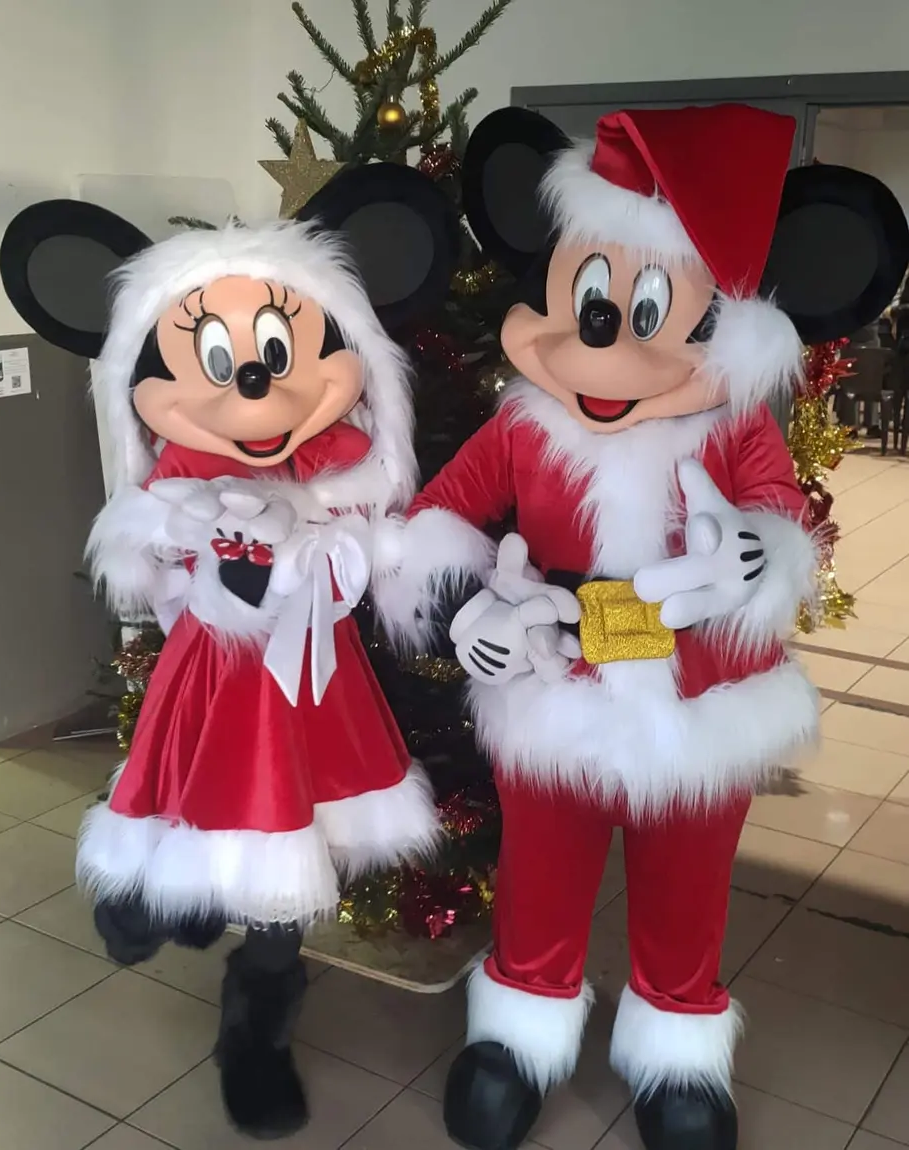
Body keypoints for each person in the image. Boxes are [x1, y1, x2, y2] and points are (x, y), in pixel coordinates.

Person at [374, 104, 909, 1150]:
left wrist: (755, 552)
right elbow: (441, 514)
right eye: (590, 300)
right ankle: (518, 1034)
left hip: (698, 700)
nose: (603, 337)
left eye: (646, 308)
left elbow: (781, 514)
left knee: (684, 885)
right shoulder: (524, 422)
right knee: (541, 876)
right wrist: (466, 606)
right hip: (552, 684)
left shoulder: (732, 422)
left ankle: (676, 1049)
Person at [0, 164, 459, 1140]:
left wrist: (327, 553)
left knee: (293, 860)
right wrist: (208, 564)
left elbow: (376, 565)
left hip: (315, 694)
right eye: (216, 357)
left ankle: (257, 1022)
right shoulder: (170, 488)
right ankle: (154, 900)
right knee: (180, 814)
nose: (254, 381)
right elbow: (150, 577)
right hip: (208, 687)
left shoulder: (348, 473)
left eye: (278, 350)